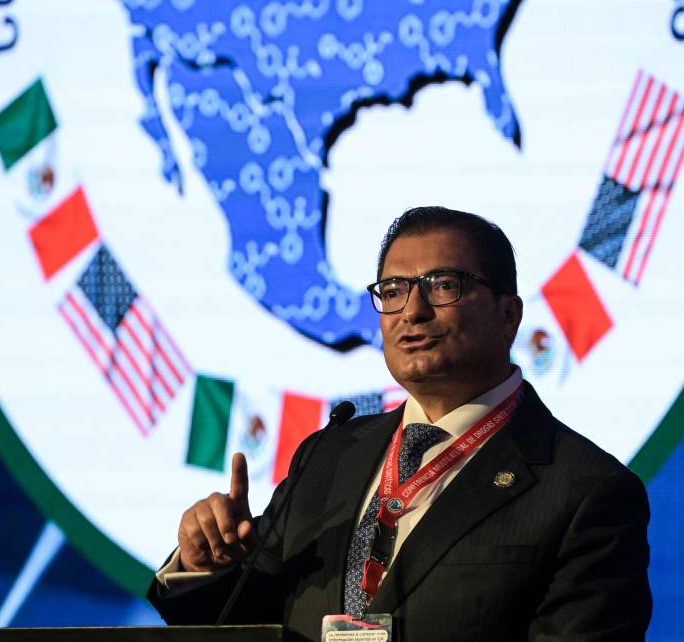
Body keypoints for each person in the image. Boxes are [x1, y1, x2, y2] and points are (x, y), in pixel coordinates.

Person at [147, 207, 652, 641]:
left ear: (508, 315)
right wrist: (205, 564)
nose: (412, 310)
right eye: (393, 290)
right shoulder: (327, 456)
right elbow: (246, 622)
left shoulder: (586, 492)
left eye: (444, 286)